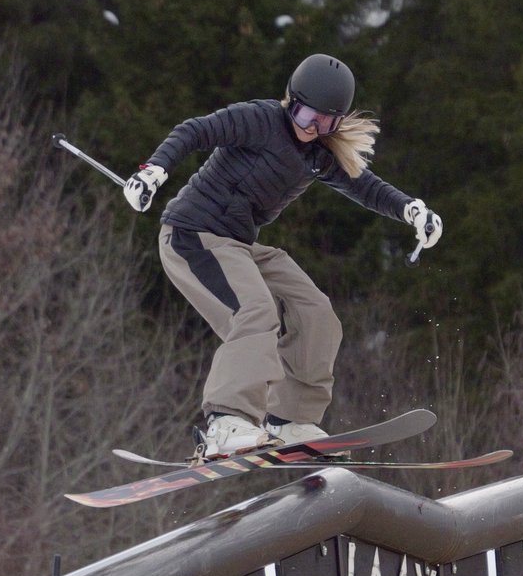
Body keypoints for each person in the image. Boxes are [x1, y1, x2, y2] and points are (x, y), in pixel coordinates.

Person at [123, 53, 442, 458]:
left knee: (315, 312)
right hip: (192, 235)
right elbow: (196, 131)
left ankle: (289, 420)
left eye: (327, 122)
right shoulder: (260, 120)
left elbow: (366, 186)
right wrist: (153, 170)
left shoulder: (318, 154)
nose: (314, 129)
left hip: (239, 244)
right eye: (308, 116)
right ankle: (225, 421)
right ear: (292, 101)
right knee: (255, 312)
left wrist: (411, 209)